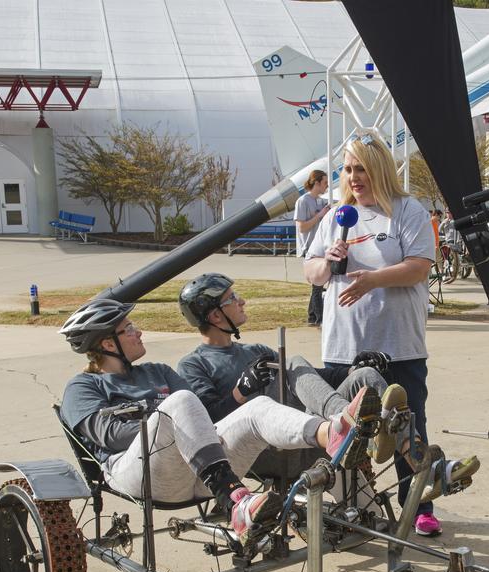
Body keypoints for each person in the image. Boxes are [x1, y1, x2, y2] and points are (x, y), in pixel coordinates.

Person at [57, 298, 379, 549]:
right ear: (108, 344)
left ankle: (333, 432)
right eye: (128, 328)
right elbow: (110, 435)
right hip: (141, 473)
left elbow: (201, 417)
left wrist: (181, 425)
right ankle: (234, 501)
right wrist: (167, 422)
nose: (138, 332)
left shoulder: (159, 371)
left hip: (199, 467)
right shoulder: (82, 387)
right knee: (180, 402)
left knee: (257, 407)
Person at [304, 130, 445, 536]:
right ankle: (355, 506)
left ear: (380, 169)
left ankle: (419, 505)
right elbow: (311, 271)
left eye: (361, 169)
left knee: (407, 426)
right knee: (349, 433)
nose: (353, 178)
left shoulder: (407, 210)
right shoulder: (336, 216)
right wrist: (327, 263)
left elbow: (419, 267)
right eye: (348, 170)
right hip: (343, 348)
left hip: (398, 346)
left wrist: (373, 280)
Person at [175, 272, 390, 430]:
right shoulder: (193, 364)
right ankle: (349, 423)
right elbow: (209, 419)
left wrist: (351, 370)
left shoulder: (256, 351)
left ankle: (404, 444)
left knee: (365, 376)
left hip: (307, 429)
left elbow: (309, 379)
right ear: (215, 316)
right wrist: (241, 391)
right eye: (232, 298)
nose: (241, 301)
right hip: (260, 444)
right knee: (292, 363)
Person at [295, 170, 331, 326]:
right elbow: (302, 227)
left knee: (318, 284)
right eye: (325, 183)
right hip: (309, 248)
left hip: (320, 247)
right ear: (316, 183)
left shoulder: (321, 201)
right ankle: (319, 318)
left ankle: (312, 316)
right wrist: (320, 215)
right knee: (317, 285)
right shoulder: (303, 201)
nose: (327, 186)